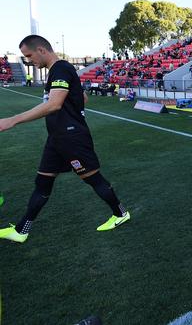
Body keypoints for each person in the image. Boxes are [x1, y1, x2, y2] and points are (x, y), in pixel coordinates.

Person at [0, 35, 130, 243]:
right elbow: (83, 97)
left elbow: (53, 105)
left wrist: (13, 120)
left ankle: (121, 213)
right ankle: (21, 230)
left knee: (93, 179)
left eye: (29, 55)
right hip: (57, 138)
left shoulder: (60, 68)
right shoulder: (57, 71)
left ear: (42, 50)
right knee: (42, 183)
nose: (28, 60)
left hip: (72, 137)